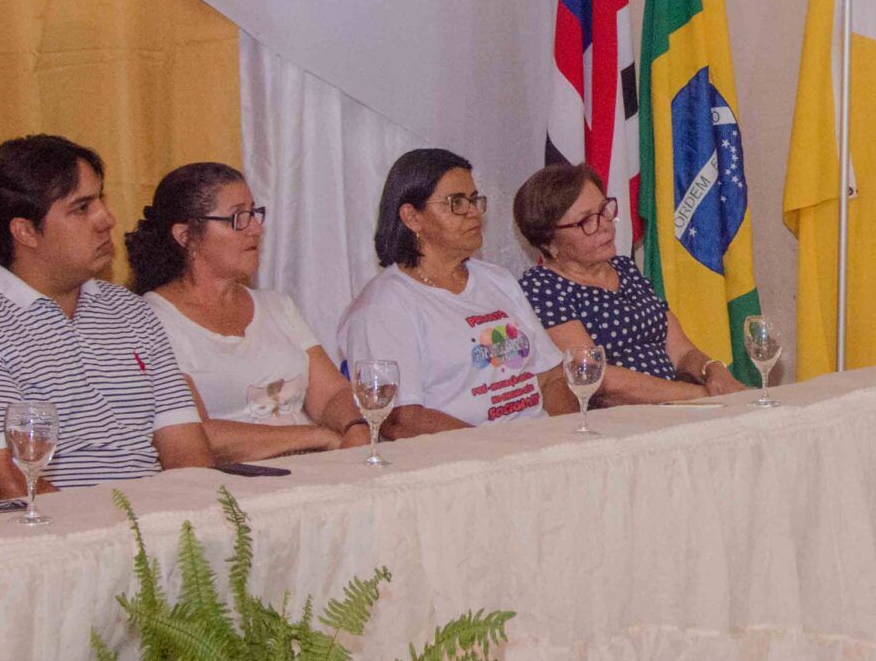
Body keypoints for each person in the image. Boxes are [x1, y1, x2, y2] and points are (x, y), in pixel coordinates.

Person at [0, 135, 216, 512]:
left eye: (101, 200)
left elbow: (188, 454)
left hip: (149, 529)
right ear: (25, 232)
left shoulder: (132, 312)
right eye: (82, 208)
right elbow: (9, 486)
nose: (106, 219)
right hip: (35, 539)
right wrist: (122, 534)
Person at [125, 162, 370, 460]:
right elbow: (193, 435)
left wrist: (354, 425)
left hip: (317, 466)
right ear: (185, 236)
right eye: (238, 217)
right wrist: (316, 437)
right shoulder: (151, 319)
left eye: (254, 213)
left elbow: (332, 393)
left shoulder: (277, 306)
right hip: (232, 481)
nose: (255, 228)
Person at [337, 149, 573, 433]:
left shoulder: (497, 280)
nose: (473, 212)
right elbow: (400, 419)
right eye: (457, 203)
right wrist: (495, 448)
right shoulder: (383, 307)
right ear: (412, 217)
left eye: (474, 200)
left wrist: (564, 436)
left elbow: (552, 376)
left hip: (538, 442)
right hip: (465, 452)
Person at [513, 163, 742, 403]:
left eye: (604, 210)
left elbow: (682, 352)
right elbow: (597, 378)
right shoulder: (542, 287)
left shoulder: (625, 268)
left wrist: (711, 369)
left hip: (677, 405)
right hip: (615, 416)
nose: (605, 225)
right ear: (549, 242)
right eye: (586, 221)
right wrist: (701, 396)